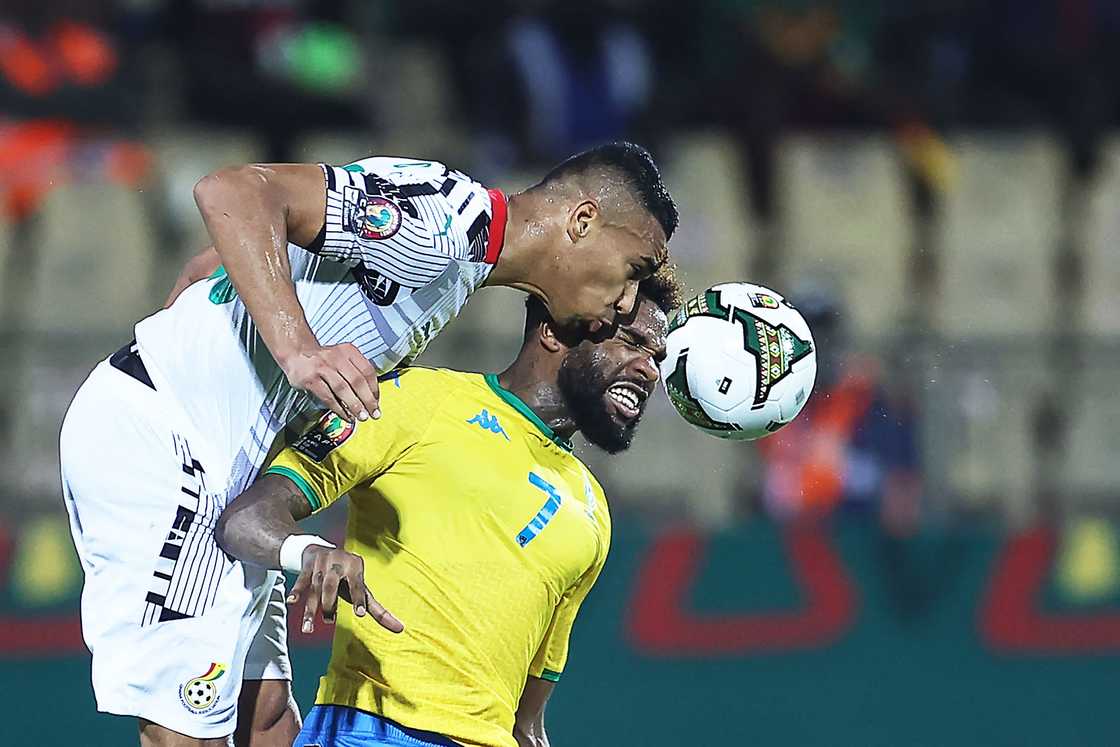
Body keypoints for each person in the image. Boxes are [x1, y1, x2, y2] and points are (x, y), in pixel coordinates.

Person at [59, 142, 678, 746]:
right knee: (189, 725)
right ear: (582, 221)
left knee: (267, 716)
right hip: (170, 437)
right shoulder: (445, 215)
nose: (626, 300)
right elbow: (234, 193)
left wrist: (196, 347)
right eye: (634, 270)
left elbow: (212, 264)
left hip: (213, 449)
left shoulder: (460, 265)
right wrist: (292, 351)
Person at [213, 273, 680, 747]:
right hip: (370, 731)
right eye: (633, 342)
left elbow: (526, 723)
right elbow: (245, 520)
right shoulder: (415, 400)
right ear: (554, 331)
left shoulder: (592, 510)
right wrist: (309, 551)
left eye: (657, 357)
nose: (650, 370)